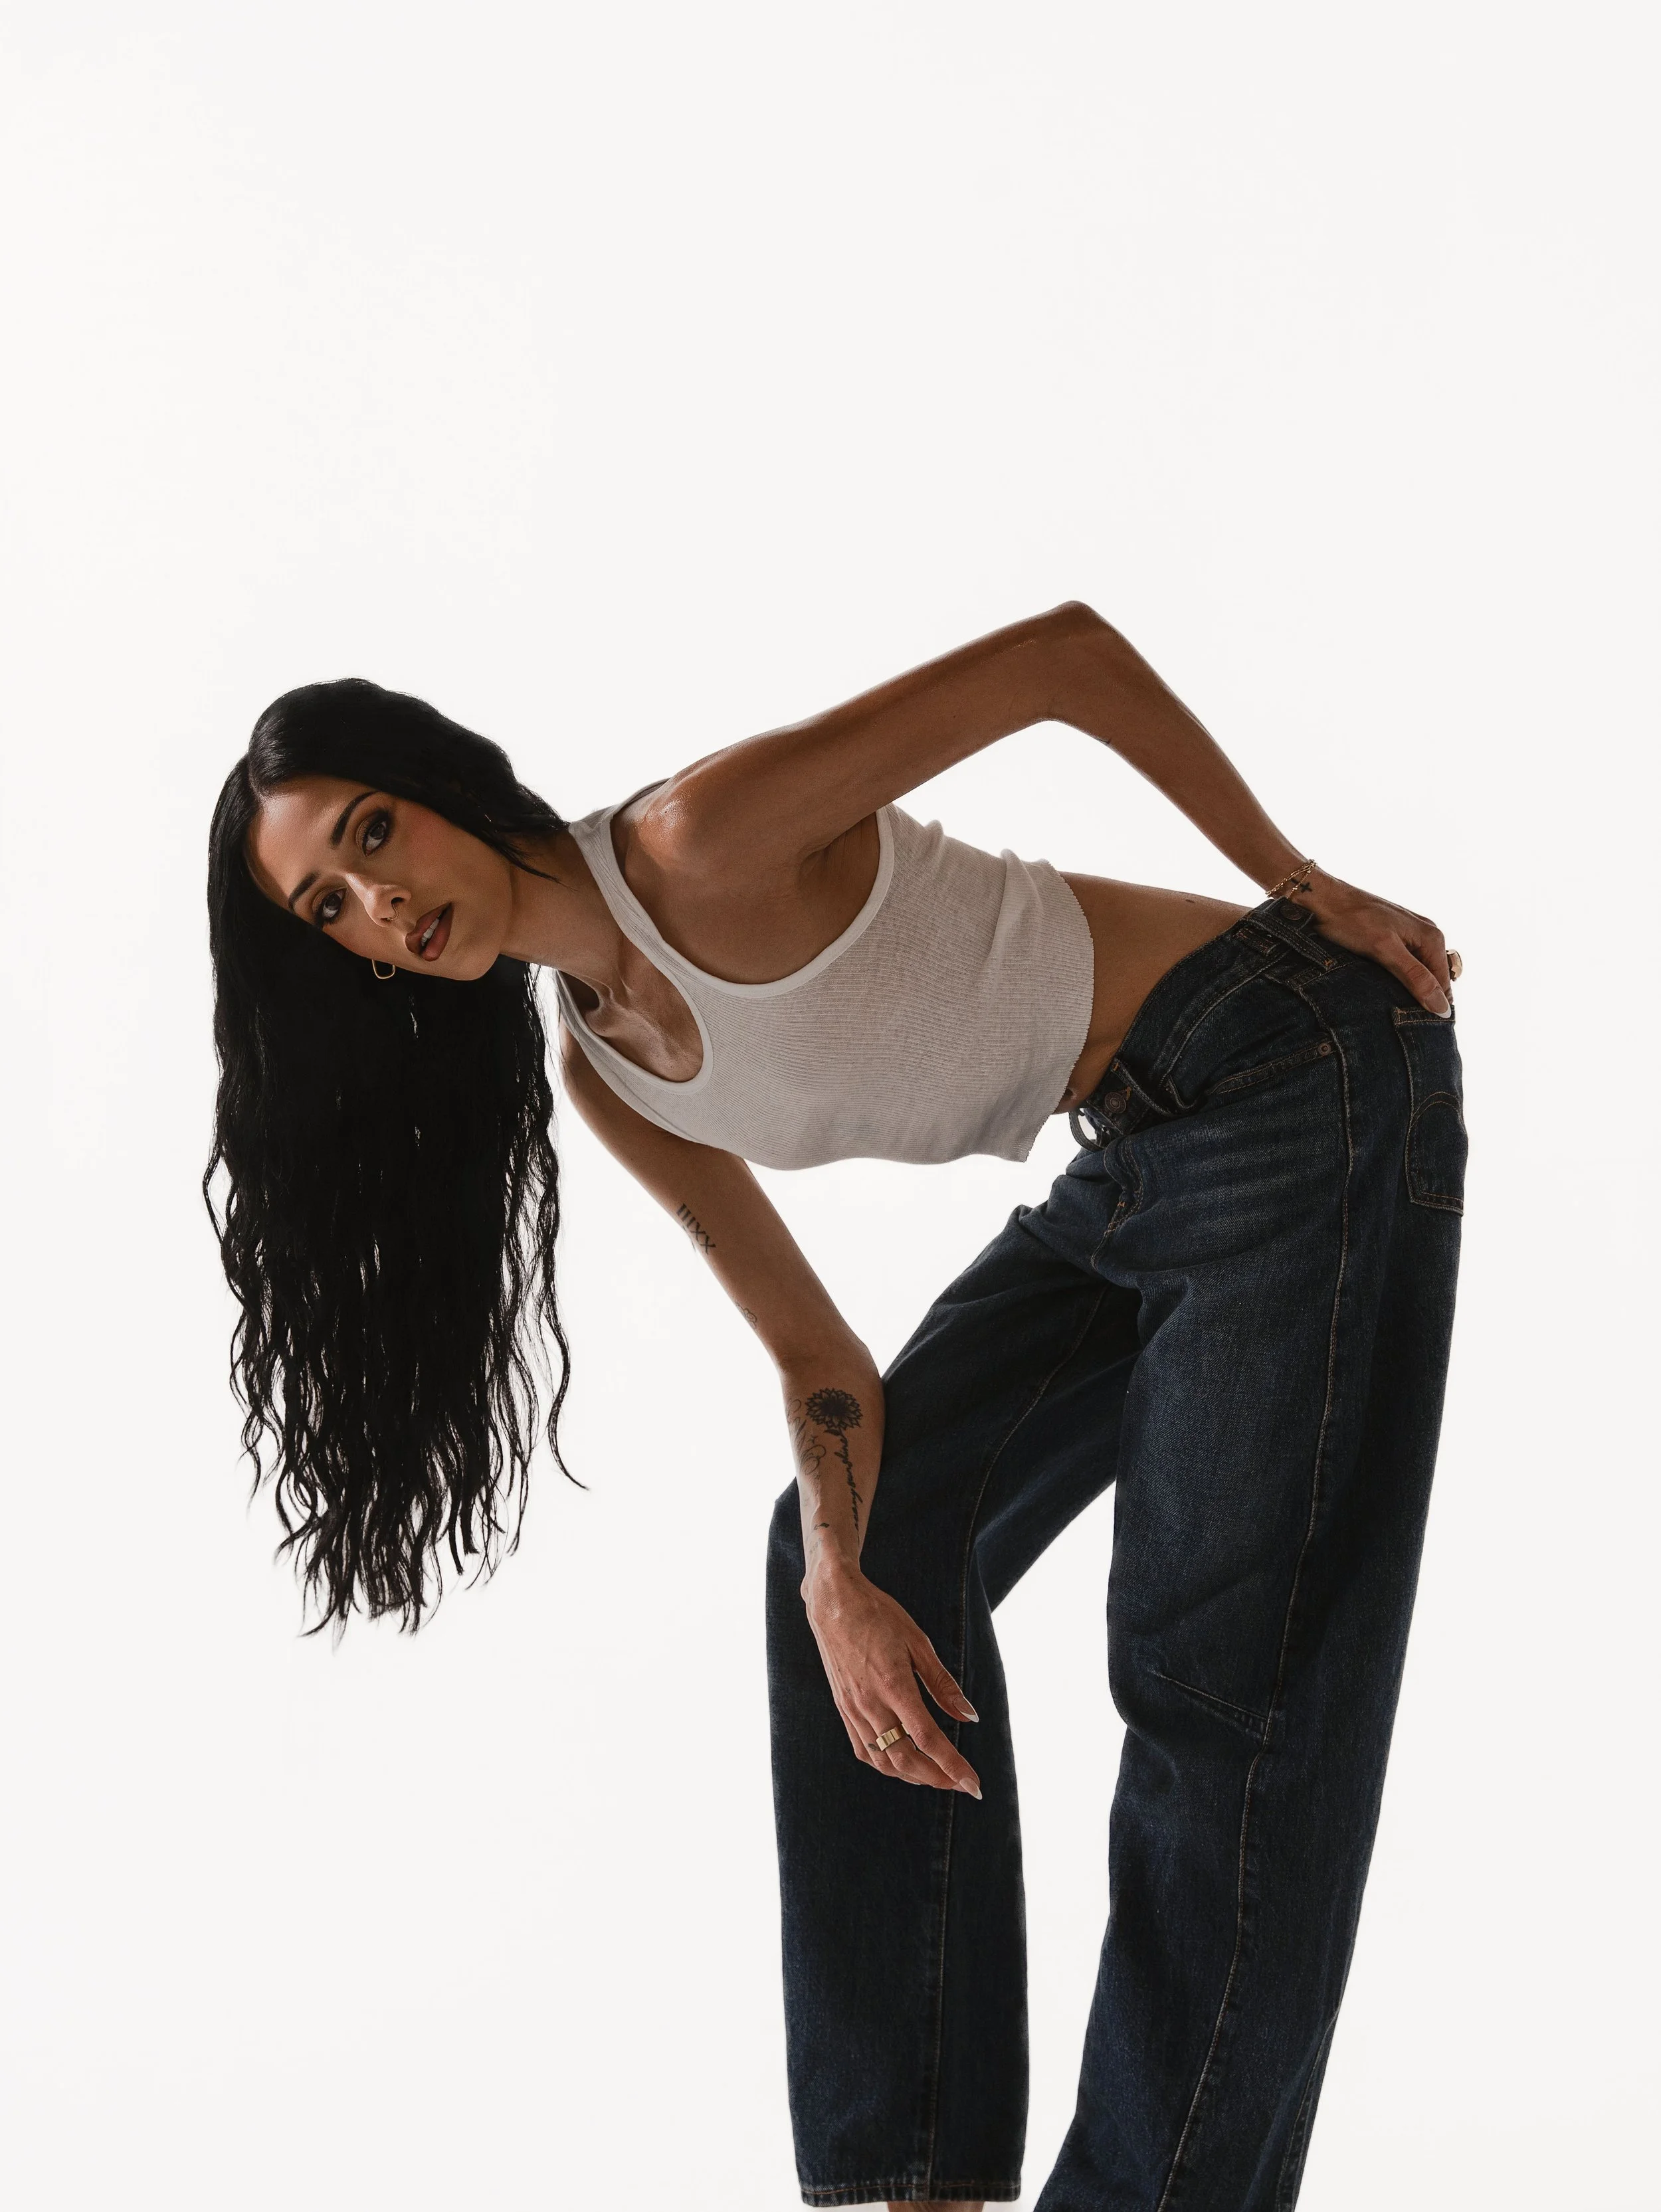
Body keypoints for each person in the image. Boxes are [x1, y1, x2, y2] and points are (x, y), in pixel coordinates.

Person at [205, 601, 1465, 2211]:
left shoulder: (695, 839)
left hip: (1291, 1062)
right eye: (333, 905)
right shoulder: (610, 1076)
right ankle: (919, 2176)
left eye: (374, 833)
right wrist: (830, 1566)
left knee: (1221, 1686)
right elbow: (822, 1368)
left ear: (443, 787)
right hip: (1138, 1153)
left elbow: (1059, 658)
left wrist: (1300, 882)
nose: (382, 900)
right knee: (853, 1564)